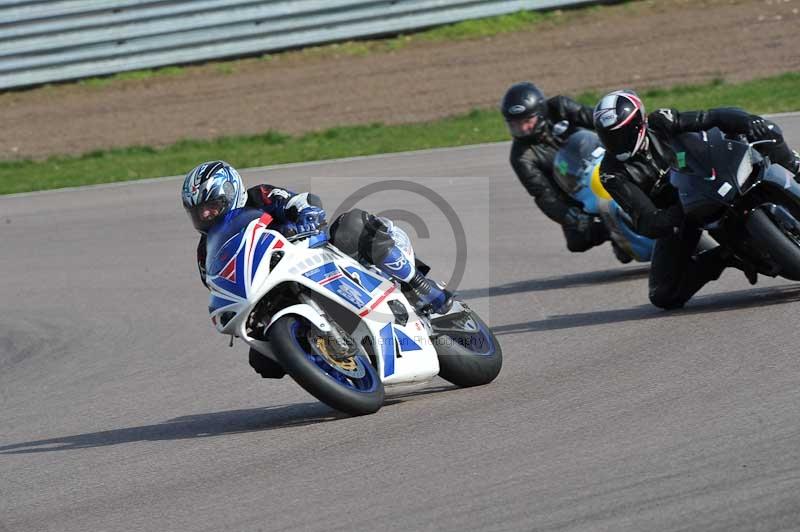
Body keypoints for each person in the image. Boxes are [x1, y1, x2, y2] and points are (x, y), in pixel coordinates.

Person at [181, 161, 453, 376]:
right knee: (263, 362)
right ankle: (327, 363)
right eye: (198, 212)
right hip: (273, 292)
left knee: (352, 226)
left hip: (313, 256)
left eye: (211, 206)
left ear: (231, 193)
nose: (205, 215)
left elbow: (298, 201)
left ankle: (417, 284)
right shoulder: (206, 252)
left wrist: (307, 215)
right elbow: (219, 284)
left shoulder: (259, 196)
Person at [593, 89, 800, 309]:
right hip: (680, 213)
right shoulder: (611, 173)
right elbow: (646, 221)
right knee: (663, 295)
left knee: (765, 129)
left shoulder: (661, 121)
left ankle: (795, 167)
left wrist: (747, 121)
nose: (616, 143)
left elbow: (709, 118)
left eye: (620, 134)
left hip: (713, 177)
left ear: (639, 124)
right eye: (608, 137)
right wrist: (676, 214)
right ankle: (726, 255)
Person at [501, 81, 631, 261]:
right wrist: (571, 217)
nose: (523, 129)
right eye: (516, 124)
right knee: (577, 240)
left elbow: (598, 120)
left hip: (604, 161)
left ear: (540, 113)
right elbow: (543, 195)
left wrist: (624, 141)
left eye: (527, 121)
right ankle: (615, 233)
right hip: (574, 191)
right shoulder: (521, 157)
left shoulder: (560, 107)